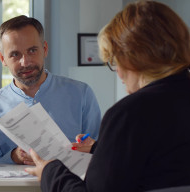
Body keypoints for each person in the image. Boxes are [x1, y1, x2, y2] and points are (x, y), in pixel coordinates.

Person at [25, 1, 190, 191]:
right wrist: (101, 149)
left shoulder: (129, 114)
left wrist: (49, 171)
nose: (118, 73)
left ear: (131, 57)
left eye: (114, 61)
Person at [0, 15, 101, 164]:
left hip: (69, 186)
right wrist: (14, 157)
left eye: (32, 50)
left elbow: (102, 154)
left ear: (45, 49)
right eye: (15, 54)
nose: (25, 62)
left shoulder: (81, 94)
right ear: (3, 59)